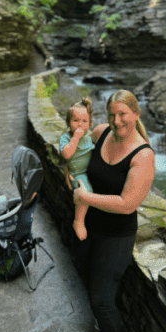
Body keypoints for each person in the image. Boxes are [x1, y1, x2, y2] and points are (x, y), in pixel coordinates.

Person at [69, 90, 155, 332]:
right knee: (88, 279)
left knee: (102, 300)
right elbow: (80, 156)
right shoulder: (101, 133)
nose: (117, 121)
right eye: (112, 115)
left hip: (116, 236)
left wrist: (85, 198)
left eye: (123, 115)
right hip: (89, 227)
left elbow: (127, 204)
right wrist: (72, 172)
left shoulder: (143, 156)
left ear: (136, 114)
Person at [59, 97, 95, 241]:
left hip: (90, 171)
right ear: (68, 122)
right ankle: (79, 221)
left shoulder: (90, 136)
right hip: (77, 174)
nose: (80, 124)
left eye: (84, 121)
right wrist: (75, 138)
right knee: (85, 191)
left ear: (90, 123)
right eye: (75, 121)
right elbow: (67, 155)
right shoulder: (66, 138)